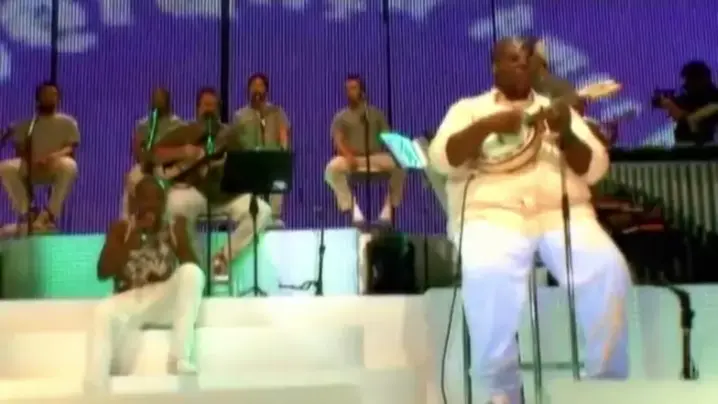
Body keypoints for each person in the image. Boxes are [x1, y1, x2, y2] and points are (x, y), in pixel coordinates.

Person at [428, 37, 630, 404]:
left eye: (527, 59)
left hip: (561, 214)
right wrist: (486, 126)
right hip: (493, 215)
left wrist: (566, 132)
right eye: (513, 59)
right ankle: (501, 391)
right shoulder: (469, 108)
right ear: (495, 67)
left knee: (608, 268)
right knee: (488, 272)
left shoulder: (556, 109)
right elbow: (442, 158)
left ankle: (605, 386)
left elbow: (595, 168)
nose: (522, 64)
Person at [85, 175, 205, 392]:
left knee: (192, 273)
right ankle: (94, 384)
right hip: (131, 298)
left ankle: (179, 357)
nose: (151, 205)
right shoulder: (121, 229)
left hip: (162, 299)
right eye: (145, 199)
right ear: (134, 203)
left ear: (164, 202)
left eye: (157, 199)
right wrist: (134, 238)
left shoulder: (174, 226)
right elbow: (102, 272)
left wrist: (176, 240)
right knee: (102, 311)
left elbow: (193, 268)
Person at [165, 87, 272, 280]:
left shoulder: (230, 134)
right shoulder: (185, 133)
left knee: (262, 211)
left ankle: (222, 257)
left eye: (213, 106)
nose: (209, 109)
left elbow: (245, 165)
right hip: (197, 193)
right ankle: (195, 269)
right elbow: (167, 166)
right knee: (174, 206)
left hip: (226, 196)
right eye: (205, 105)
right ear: (197, 108)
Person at [324, 74, 405, 225]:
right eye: (347, 89)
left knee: (401, 164)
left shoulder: (375, 114)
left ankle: (388, 211)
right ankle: (352, 209)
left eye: (353, 88)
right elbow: (338, 141)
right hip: (351, 158)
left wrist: (399, 150)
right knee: (331, 169)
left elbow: (387, 137)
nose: (350, 92)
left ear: (362, 90)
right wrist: (348, 155)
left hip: (375, 157)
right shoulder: (341, 117)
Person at [0, 81, 79, 232]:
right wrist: (31, 159)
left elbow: (71, 147)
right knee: (5, 168)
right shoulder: (27, 124)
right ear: (38, 98)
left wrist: (52, 157)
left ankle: (49, 214)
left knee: (70, 165)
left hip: (54, 164)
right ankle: (27, 213)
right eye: (45, 94)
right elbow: (20, 149)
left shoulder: (68, 122)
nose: (50, 98)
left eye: (53, 95)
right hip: (31, 165)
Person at [229, 73, 290, 227]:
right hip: (250, 160)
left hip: (272, 158)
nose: (257, 89)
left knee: (279, 168)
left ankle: (274, 217)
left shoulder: (276, 112)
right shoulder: (239, 116)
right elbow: (234, 140)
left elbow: (283, 132)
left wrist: (283, 152)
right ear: (248, 90)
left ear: (266, 90)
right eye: (253, 86)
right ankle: (252, 217)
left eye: (260, 85)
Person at [120, 88, 183, 219]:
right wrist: (145, 160)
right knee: (132, 180)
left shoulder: (178, 125)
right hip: (146, 165)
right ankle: (127, 222)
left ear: (168, 103)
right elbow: (137, 150)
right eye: (155, 100)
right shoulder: (143, 124)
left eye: (161, 100)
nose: (158, 104)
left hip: (169, 166)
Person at [659, 60, 718, 145]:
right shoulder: (692, 97)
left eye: (690, 80)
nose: (686, 85)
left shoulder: (713, 99)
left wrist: (672, 107)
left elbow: (693, 121)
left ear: (702, 79)